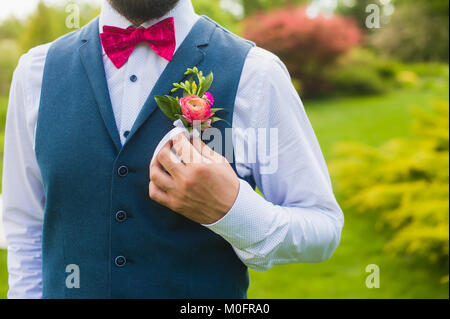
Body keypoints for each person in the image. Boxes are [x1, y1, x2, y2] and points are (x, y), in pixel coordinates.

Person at [2, 0, 344, 299]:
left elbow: (323, 227)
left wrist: (233, 210)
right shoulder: (36, 73)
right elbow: (24, 229)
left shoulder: (255, 74)